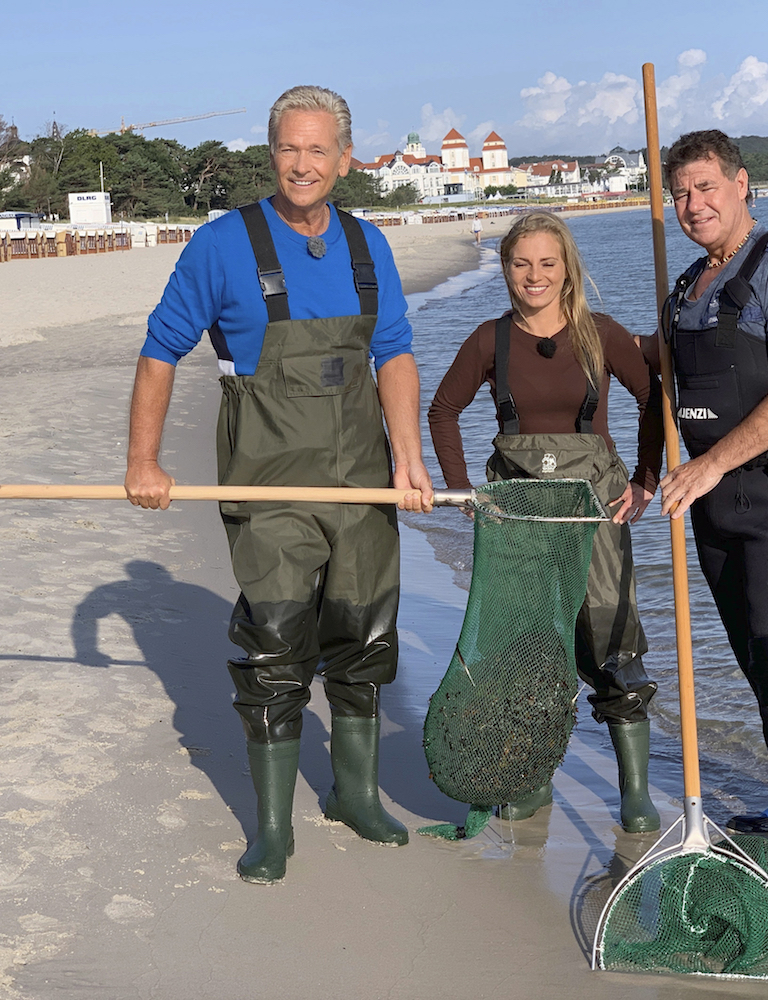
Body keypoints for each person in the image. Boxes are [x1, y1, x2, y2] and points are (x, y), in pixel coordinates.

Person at [125, 85, 434, 884]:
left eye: (318, 150)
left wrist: (408, 457)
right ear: (274, 155)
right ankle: (271, 828)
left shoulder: (370, 246)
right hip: (268, 478)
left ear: (344, 158)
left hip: (361, 475)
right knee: (275, 643)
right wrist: (143, 462)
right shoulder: (223, 245)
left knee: (365, 633)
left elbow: (393, 352)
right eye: (289, 149)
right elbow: (161, 350)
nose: (303, 164)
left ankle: (355, 796)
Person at [646, 129, 768, 891]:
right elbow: (664, 390)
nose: (693, 205)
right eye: (680, 194)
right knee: (756, 657)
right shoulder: (687, 284)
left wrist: (708, 465)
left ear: (740, 183)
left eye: (705, 188)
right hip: (709, 500)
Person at [428, 212, 663, 833]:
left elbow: (653, 399)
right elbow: (443, 410)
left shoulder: (601, 334)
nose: (533, 276)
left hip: (595, 508)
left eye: (547, 263)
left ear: (568, 269)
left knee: (612, 639)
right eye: (520, 263)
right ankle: (529, 779)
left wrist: (646, 479)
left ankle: (634, 792)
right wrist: (461, 492)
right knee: (523, 649)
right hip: (519, 512)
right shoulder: (490, 340)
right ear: (505, 268)